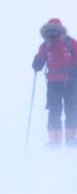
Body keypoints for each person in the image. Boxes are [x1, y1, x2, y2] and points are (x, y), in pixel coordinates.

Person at [32, 18, 77, 147]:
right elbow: (40, 60)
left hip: (71, 83)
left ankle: (71, 139)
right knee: (54, 110)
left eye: (54, 30)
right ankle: (54, 141)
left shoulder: (71, 43)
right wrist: (37, 63)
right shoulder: (46, 46)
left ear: (60, 30)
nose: (52, 33)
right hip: (53, 85)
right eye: (49, 31)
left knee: (72, 110)